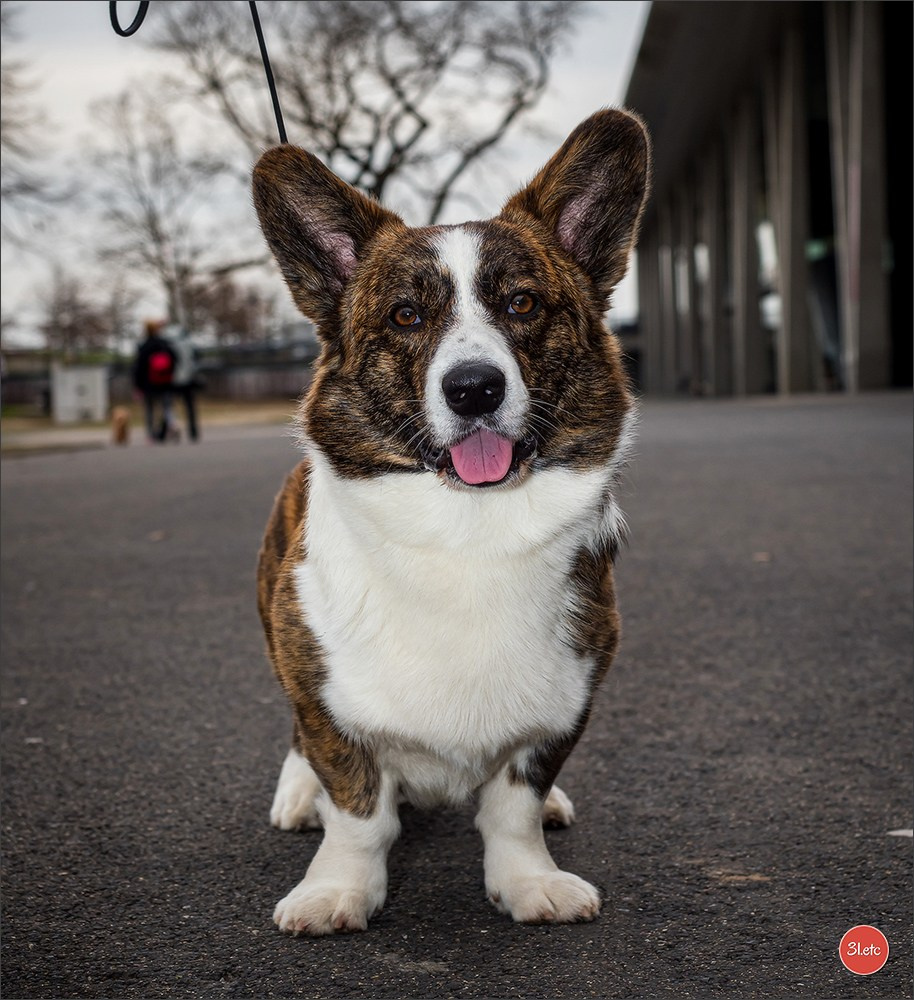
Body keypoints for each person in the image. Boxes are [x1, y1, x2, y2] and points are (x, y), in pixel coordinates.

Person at [133, 319, 177, 443]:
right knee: (166, 406)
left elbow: (139, 368)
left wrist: (138, 385)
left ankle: (151, 435)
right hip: (165, 381)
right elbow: (174, 360)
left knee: (150, 409)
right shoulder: (165, 344)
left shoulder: (144, 346)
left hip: (149, 383)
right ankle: (170, 425)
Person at [168, 326, 201, 442]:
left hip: (175, 380)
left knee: (171, 406)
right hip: (188, 379)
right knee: (190, 407)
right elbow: (197, 360)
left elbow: (170, 363)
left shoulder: (172, 346)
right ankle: (193, 432)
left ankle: (172, 429)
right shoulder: (191, 345)